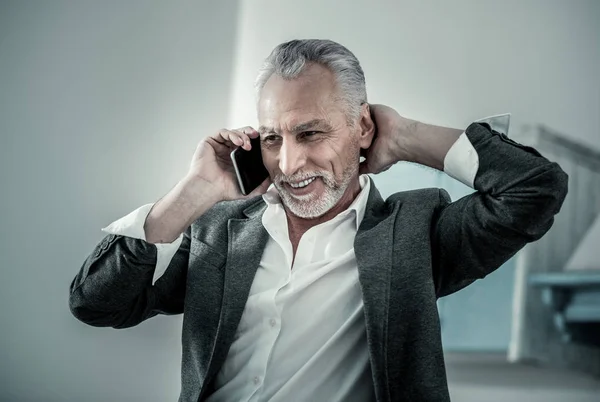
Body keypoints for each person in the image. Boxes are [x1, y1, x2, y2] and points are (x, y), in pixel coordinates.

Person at [69, 39, 568, 402]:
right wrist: (193, 193)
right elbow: (95, 303)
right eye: (272, 139)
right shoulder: (217, 231)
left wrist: (406, 136)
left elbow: (534, 188)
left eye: (310, 134)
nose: (288, 164)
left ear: (363, 127)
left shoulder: (415, 232)